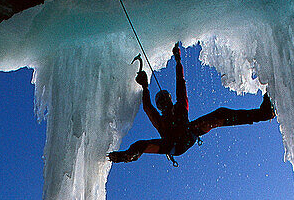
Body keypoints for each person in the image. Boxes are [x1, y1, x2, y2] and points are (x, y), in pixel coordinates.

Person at [108, 43, 274, 163]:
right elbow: (148, 108)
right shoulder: (162, 120)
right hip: (173, 145)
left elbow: (180, 84)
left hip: (189, 133)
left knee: (220, 114)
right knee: (140, 144)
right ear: (161, 105)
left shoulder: (179, 107)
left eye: (164, 99)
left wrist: (178, 61)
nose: (164, 102)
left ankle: (263, 113)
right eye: (161, 102)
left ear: (169, 99)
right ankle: (127, 156)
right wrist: (145, 87)